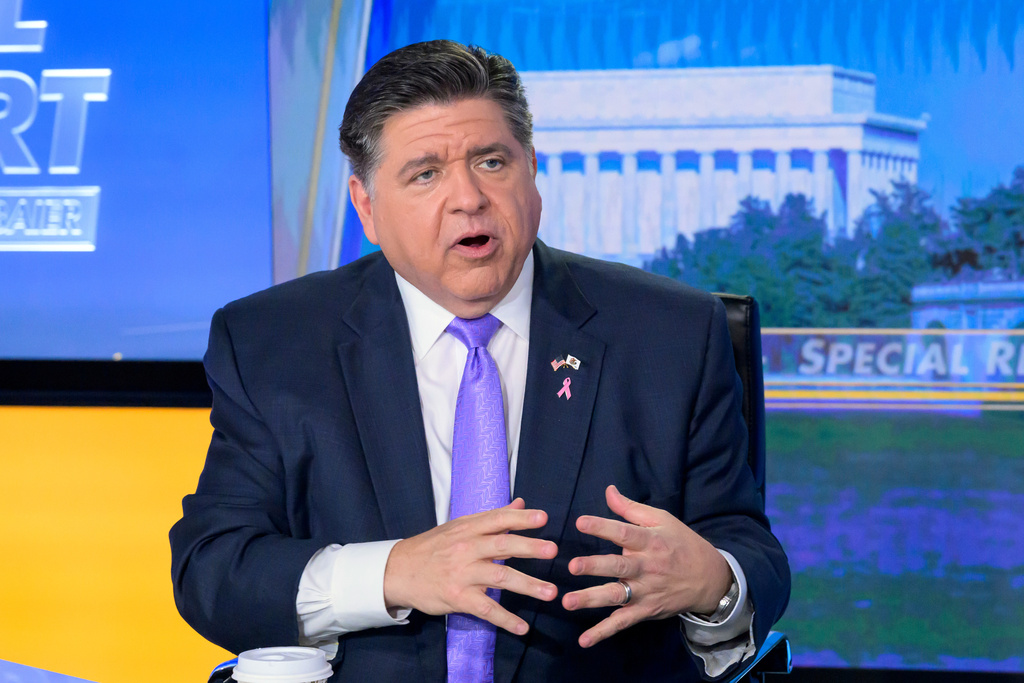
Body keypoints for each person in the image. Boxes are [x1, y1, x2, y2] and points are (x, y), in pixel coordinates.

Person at [170, 40, 789, 682]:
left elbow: (746, 551)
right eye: (425, 173)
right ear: (366, 207)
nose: (468, 198)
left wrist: (716, 583)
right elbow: (214, 569)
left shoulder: (670, 333)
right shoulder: (272, 342)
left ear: (533, 175)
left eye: (491, 161)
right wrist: (393, 572)